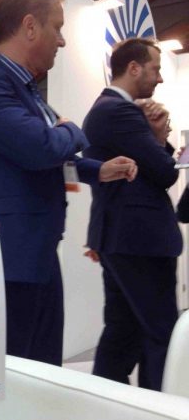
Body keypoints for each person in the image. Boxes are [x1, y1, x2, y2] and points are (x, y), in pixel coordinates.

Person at [0, 0, 137, 366]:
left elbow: (44, 152)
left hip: (36, 254)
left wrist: (97, 170)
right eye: (57, 27)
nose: (62, 40)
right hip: (7, 260)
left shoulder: (26, 90)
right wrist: (73, 131)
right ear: (30, 26)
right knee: (16, 374)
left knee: (45, 370)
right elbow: (41, 148)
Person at [82, 37, 181, 391]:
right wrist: (159, 136)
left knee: (123, 330)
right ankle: (160, 405)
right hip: (140, 240)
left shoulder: (107, 110)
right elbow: (165, 172)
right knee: (159, 332)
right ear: (134, 68)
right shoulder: (119, 112)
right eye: (156, 69)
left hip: (123, 238)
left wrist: (154, 139)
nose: (160, 78)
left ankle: (107, 399)